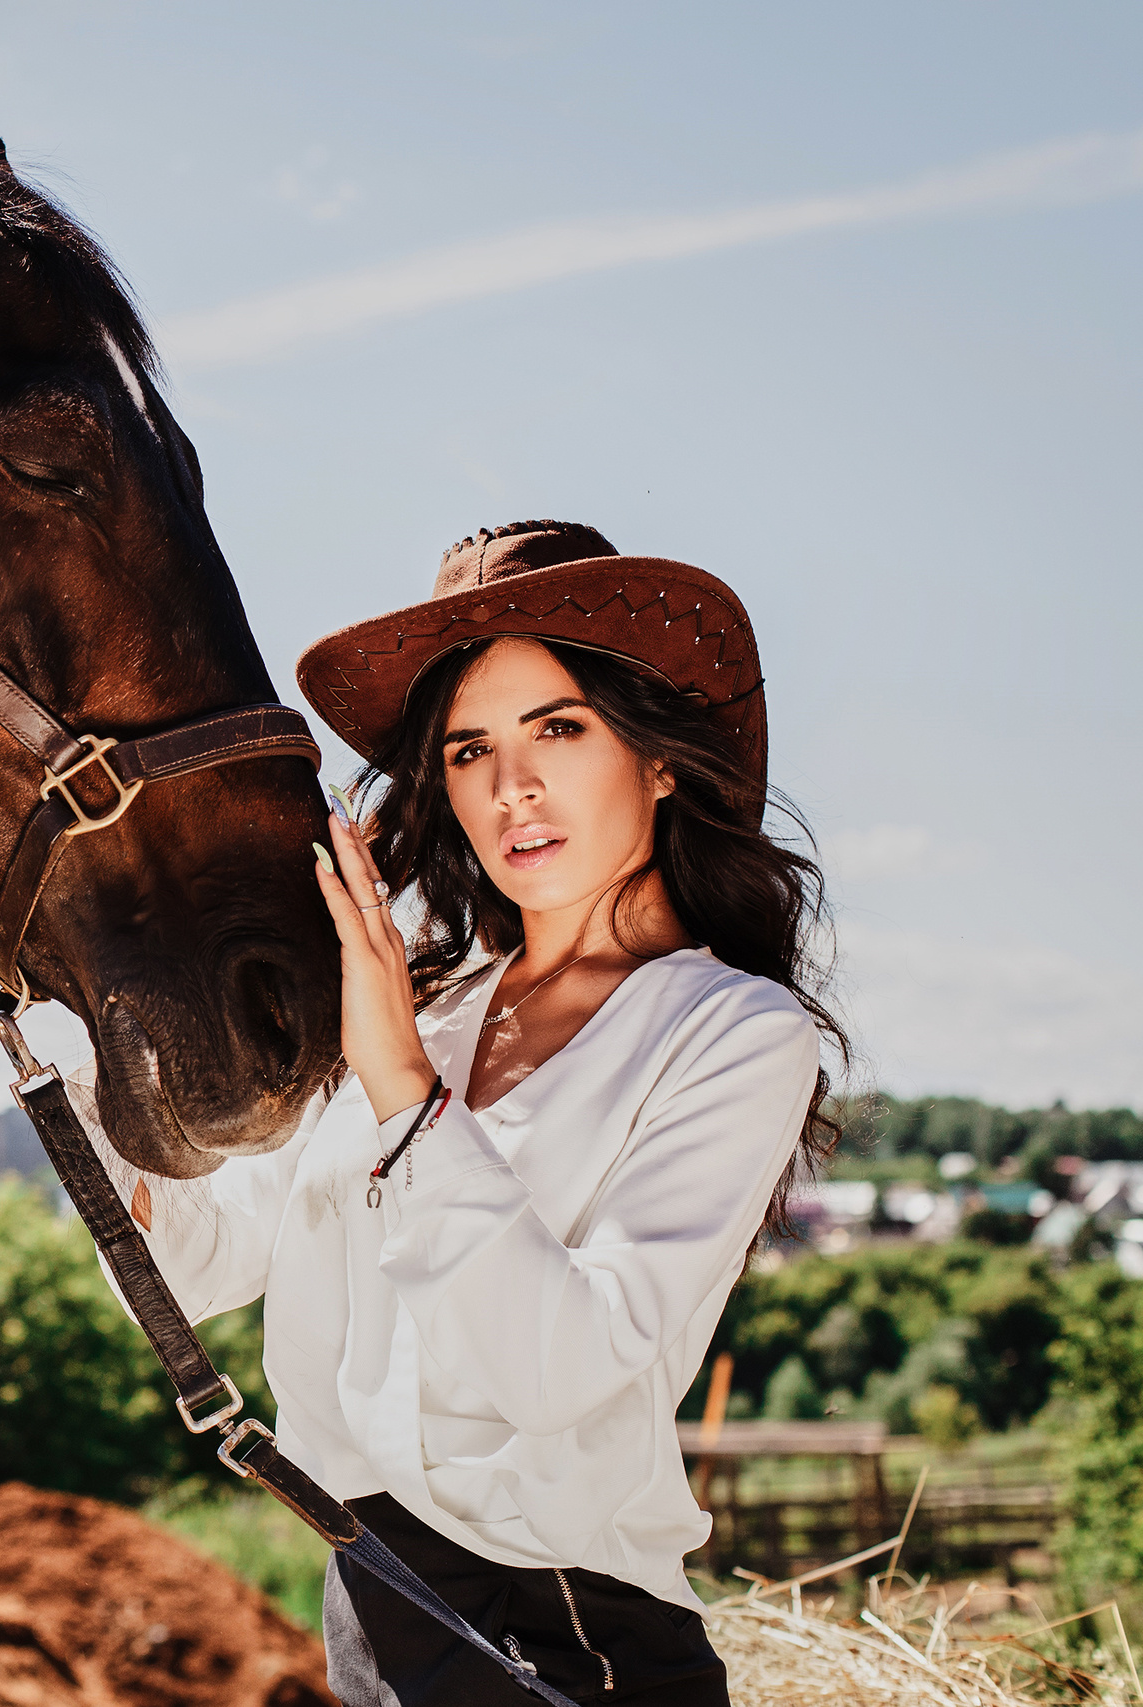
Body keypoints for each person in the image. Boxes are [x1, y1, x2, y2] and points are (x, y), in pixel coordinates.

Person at [76, 520, 848, 1705]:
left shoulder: (730, 1033)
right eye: (467, 750)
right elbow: (198, 1265)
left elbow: (564, 1368)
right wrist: (95, 1025)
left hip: (572, 1642)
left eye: (559, 728)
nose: (512, 789)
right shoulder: (412, 1008)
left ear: (659, 758)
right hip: (374, 1616)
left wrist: (402, 1093)